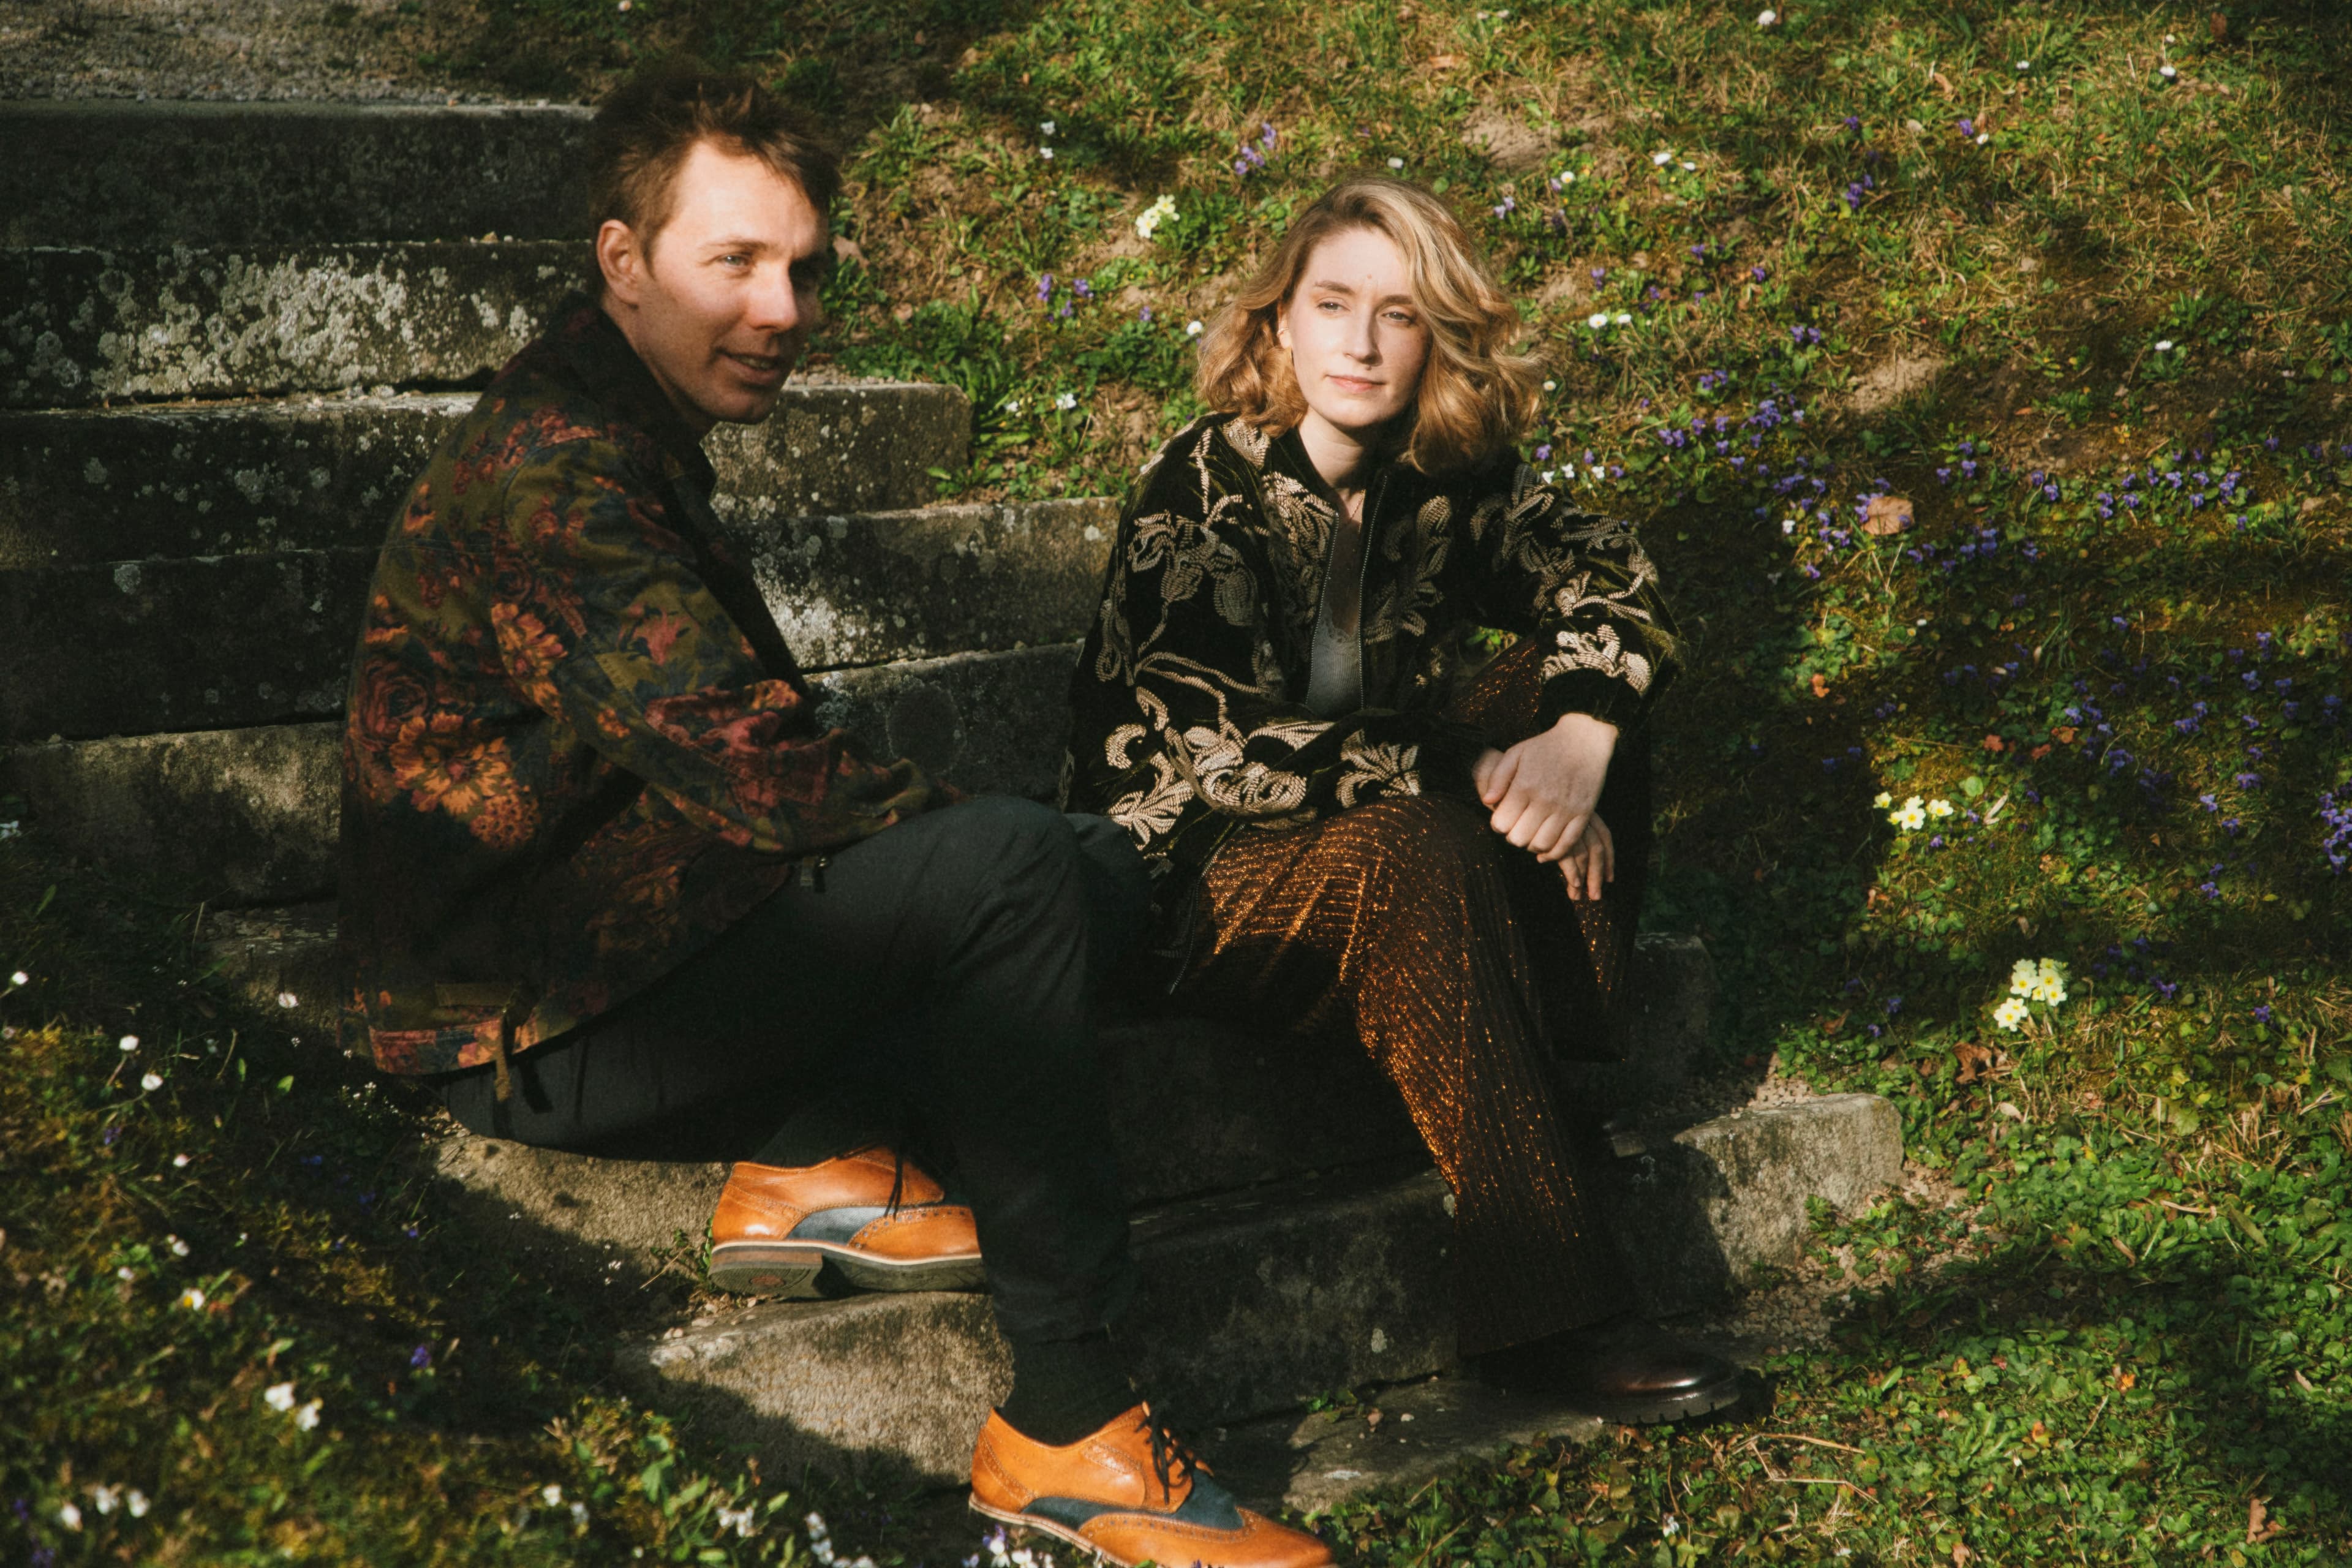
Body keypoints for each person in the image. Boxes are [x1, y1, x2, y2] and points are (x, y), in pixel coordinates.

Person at [339, 61, 1332, 1568]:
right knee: (1016, 873)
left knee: (1033, 884)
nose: (783, 310)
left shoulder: (613, 428)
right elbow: (764, 773)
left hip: (619, 939)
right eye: (732, 261)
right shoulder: (554, 480)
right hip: (529, 1018)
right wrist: (1052, 855)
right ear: (624, 261)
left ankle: (821, 1155)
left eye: (800, 266)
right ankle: (1071, 1421)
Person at [1064, 176, 1745, 1423]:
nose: (1362, 344)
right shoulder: (1198, 486)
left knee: (1573, 690)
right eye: (1332, 304)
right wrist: (1455, 768)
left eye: (1398, 312)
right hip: (1189, 880)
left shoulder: (1446, 478)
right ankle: (1550, 1302)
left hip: (1380, 835)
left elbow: (1616, 577)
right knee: (1422, 838)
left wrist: (1581, 733)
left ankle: (1543, 1081)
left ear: (1438, 335)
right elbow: (1215, 749)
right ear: (1279, 322)